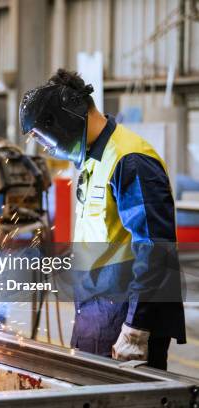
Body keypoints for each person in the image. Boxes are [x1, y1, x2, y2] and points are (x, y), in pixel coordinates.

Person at [19, 69, 185, 370]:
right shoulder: (96, 157)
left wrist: (136, 330)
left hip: (124, 318)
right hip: (99, 309)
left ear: (67, 118)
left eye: (46, 137)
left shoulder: (129, 159)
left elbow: (156, 248)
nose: (48, 147)